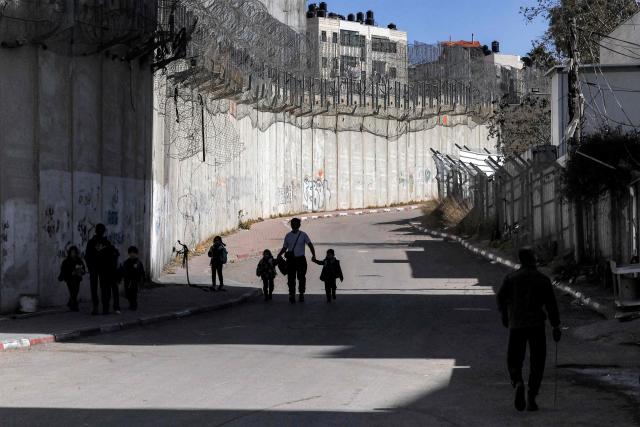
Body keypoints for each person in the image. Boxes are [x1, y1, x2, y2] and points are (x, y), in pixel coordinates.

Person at [497, 247, 561, 412]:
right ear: (533, 260)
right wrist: (555, 325)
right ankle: (532, 396)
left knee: (513, 358)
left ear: (520, 261)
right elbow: (551, 305)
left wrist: (505, 315)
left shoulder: (511, 278)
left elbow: (500, 298)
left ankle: (518, 382)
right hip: (536, 325)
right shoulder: (542, 279)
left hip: (516, 324)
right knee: (537, 361)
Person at [278, 218, 316, 304]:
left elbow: (310, 245)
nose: (294, 225)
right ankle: (292, 294)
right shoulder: (288, 236)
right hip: (291, 260)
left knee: (301, 278)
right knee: (291, 278)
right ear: (291, 225)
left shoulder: (303, 235)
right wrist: (279, 254)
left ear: (299, 225)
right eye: (292, 224)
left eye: (295, 224)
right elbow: (285, 247)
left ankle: (301, 294)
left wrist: (313, 255)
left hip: (301, 260)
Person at [85, 224, 119, 315]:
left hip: (102, 269)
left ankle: (102, 307)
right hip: (98, 268)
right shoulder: (96, 242)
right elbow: (87, 256)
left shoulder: (103, 242)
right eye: (100, 230)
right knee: (102, 288)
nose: (101, 232)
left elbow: (114, 253)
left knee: (102, 288)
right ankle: (102, 307)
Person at [57, 246, 86, 311]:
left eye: (74, 252)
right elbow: (64, 270)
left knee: (75, 291)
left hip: (77, 278)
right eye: (72, 252)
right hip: (69, 279)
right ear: (70, 253)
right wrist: (71, 273)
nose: (73, 254)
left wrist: (81, 271)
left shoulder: (79, 260)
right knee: (72, 291)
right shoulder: (66, 261)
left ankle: (71, 303)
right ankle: (74, 305)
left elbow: (83, 269)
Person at [121, 246, 145, 310]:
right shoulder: (127, 262)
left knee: (133, 293)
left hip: (134, 280)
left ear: (136, 254)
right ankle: (131, 304)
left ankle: (134, 305)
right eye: (130, 253)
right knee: (127, 293)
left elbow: (142, 272)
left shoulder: (138, 262)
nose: (132, 254)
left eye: (133, 253)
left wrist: (141, 280)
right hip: (127, 280)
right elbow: (124, 270)